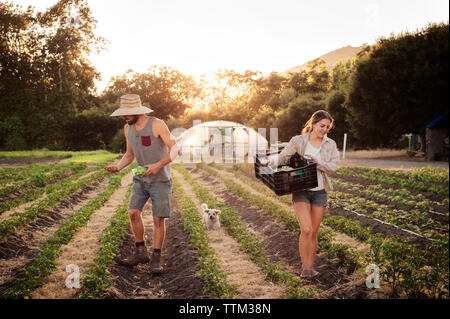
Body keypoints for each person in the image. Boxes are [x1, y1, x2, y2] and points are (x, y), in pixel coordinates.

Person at [106, 94, 179, 273]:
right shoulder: (127, 128)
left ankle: (156, 258)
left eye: (128, 114)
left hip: (160, 179)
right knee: (133, 213)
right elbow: (130, 154)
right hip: (140, 178)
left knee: (157, 219)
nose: (125, 117)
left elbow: (176, 148)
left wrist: (157, 165)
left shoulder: (157, 124)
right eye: (123, 114)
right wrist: (119, 166)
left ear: (137, 111)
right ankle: (140, 252)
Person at [261, 110, 339, 278]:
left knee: (314, 232)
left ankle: (310, 268)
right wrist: (271, 161)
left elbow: (333, 166)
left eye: (327, 127)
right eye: (321, 126)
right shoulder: (298, 140)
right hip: (300, 189)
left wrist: (319, 163)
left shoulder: (330, 144)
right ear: (313, 123)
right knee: (306, 229)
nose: (324, 129)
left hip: (320, 191)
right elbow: (283, 157)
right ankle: (305, 268)